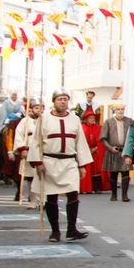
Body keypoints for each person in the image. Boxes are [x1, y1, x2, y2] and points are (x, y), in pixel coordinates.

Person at [33, 90, 92, 242]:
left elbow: (80, 142)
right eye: (60, 99)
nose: (63, 102)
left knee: (73, 193)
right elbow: (36, 142)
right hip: (50, 162)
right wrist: (38, 163)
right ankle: (55, 231)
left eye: (65, 99)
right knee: (51, 196)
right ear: (54, 101)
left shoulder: (75, 119)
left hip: (69, 162)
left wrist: (82, 164)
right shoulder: (44, 119)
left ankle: (72, 229)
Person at [10, 100, 41, 207]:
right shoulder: (24, 122)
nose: (39, 110)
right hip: (29, 152)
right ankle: (32, 201)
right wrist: (22, 149)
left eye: (41, 108)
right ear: (31, 109)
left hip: (43, 153)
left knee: (44, 178)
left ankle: (44, 201)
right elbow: (19, 136)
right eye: (36, 108)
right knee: (31, 178)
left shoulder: (46, 120)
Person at [102, 105, 132, 202]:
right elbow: (103, 138)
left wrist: (130, 150)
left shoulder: (129, 121)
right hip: (113, 151)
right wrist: (110, 148)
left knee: (125, 173)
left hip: (125, 151)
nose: (120, 111)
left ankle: (124, 195)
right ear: (115, 110)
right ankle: (114, 194)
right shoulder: (108, 122)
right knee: (113, 173)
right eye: (118, 109)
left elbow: (133, 136)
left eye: (122, 109)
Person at [78, 109, 104, 194]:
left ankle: (96, 188)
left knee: (96, 169)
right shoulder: (82, 128)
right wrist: (87, 150)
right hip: (85, 151)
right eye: (90, 118)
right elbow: (80, 140)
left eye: (93, 118)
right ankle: (85, 188)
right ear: (86, 119)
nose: (92, 119)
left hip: (95, 152)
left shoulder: (98, 128)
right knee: (86, 169)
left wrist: (96, 148)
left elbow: (101, 140)